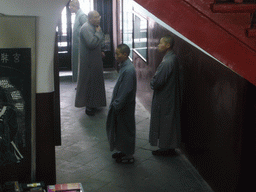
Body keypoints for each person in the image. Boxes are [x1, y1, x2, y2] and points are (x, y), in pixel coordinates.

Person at [149, 34, 181, 156]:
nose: (158, 46)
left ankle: (166, 148)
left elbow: (157, 82)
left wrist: (152, 83)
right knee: (170, 121)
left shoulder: (167, 61)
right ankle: (169, 146)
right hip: (169, 95)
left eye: (160, 43)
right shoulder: (172, 58)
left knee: (165, 121)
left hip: (165, 96)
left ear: (168, 45)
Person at [106, 44, 137, 164]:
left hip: (125, 106)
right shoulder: (124, 66)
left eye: (118, 54)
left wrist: (117, 104)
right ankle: (123, 150)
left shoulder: (128, 70)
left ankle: (128, 155)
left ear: (125, 54)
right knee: (121, 129)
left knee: (126, 129)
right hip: (121, 105)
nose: (115, 56)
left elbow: (126, 90)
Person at [75, 10, 106, 116]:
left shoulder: (95, 26)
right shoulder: (86, 28)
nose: (98, 19)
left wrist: (101, 50)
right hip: (88, 62)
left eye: (99, 17)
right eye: (96, 17)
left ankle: (95, 104)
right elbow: (91, 43)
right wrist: (98, 33)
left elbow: (100, 40)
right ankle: (89, 107)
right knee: (89, 83)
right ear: (89, 18)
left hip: (95, 60)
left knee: (96, 82)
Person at [69, 0, 88, 82]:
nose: (70, 8)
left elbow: (87, 29)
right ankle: (79, 82)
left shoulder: (82, 15)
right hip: (77, 44)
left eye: (71, 6)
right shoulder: (77, 15)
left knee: (80, 64)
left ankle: (81, 82)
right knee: (77, 64)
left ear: (75, 6)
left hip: (81, 45)